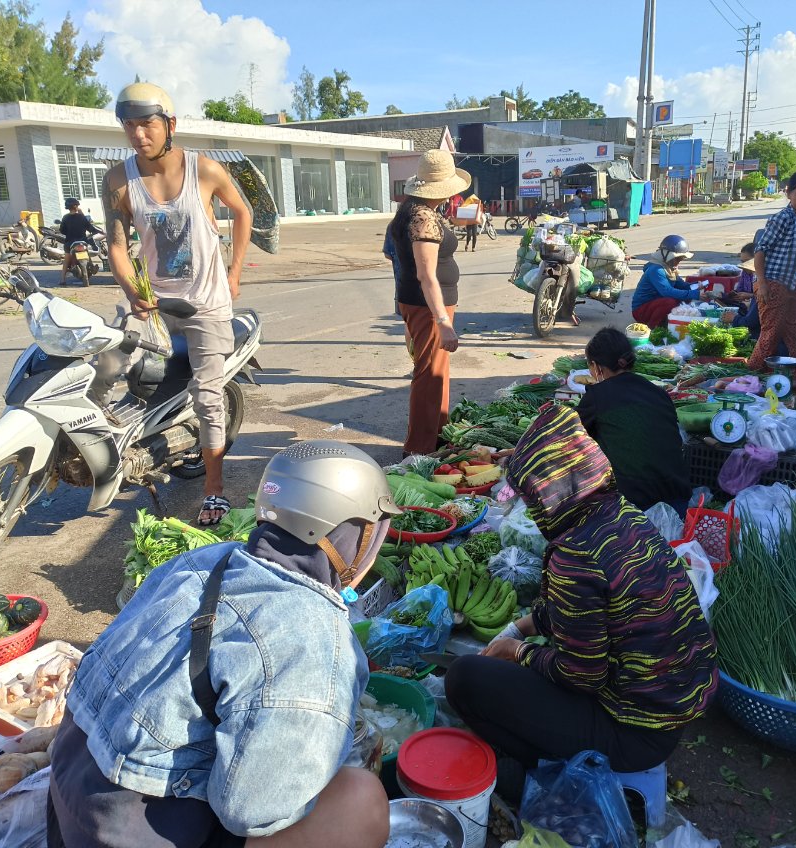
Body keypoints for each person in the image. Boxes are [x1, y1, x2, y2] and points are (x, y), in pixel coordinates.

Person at [47, 440, 398, 848]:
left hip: (71, 802)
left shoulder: (207, 558)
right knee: (360, 799)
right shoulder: (311, 633)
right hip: (132, 832)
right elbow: (250, 811)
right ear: (351, 534)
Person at [444, 404, 717, 799]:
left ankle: (535, 772)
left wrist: (517, 651)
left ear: (547, 494)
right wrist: (528, 624)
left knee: (465, 678)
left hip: (633, 732)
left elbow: (581, 676)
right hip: (673, 707)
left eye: (531, 497)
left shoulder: (575, 555)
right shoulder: (622, 514)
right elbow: (600, 611)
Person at [101, 82, 252, 525]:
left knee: (207, 396)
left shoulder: (203, 170)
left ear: (169, 124)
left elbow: (242, 211)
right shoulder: (118, 180)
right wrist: (131, 289)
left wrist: (235, 272)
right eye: (129, 126)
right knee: (117, 372)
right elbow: (115, 245)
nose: (137, 135)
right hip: (155, 303)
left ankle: (215, 490)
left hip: (206, 303)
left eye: (146, 124)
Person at [389, 150, 470, 456]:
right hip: (428, 306)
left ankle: (437, 437)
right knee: (429, 375)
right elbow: (426, 275)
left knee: (437, 373)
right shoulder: (422, 217)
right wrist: (443, 322)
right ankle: (419, 450)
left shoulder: (415, 211)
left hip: (424, 304)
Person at [577, 328, 692, 516]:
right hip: (678, 502)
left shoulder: (597, 397)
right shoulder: (659, 393)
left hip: (634, 508)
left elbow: (566, 436)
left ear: (597, 367)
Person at [749, 170, 796, 394]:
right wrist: (761, 283)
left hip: (792, 286)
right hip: (772, 283)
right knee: (771, 333)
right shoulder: (783, 218)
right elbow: (760, 250)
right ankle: (751, 375)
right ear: (789, 193)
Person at [631, 234, 709, 327]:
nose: (678, 262)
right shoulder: (656, 270)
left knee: (685, 298)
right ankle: (653, 328)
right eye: (677, 259)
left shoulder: (670, 268)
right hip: (641, 311)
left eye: (680, 259)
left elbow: (682, 286)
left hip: (656, 304)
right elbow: (667, 292)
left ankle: (665, 323)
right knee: (670, 302)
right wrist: (695, 294)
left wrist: (697, 286)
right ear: (667, 255)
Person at [57, 198, 102, 286]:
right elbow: (90, 227)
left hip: (70, 242)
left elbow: (62, 230)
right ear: (77, 206)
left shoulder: (65, 217)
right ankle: (91, 267)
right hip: (83, 242)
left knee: (66, 260)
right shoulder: (82, 217)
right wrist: (97, 232)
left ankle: (62, 279)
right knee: (88, 255)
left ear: (67, 207)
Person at [382, 223, 401, 317]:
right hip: (425, 291)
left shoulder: (393, 225)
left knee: (408, 325)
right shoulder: (424, 222)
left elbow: (387, 254)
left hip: (402, 289)